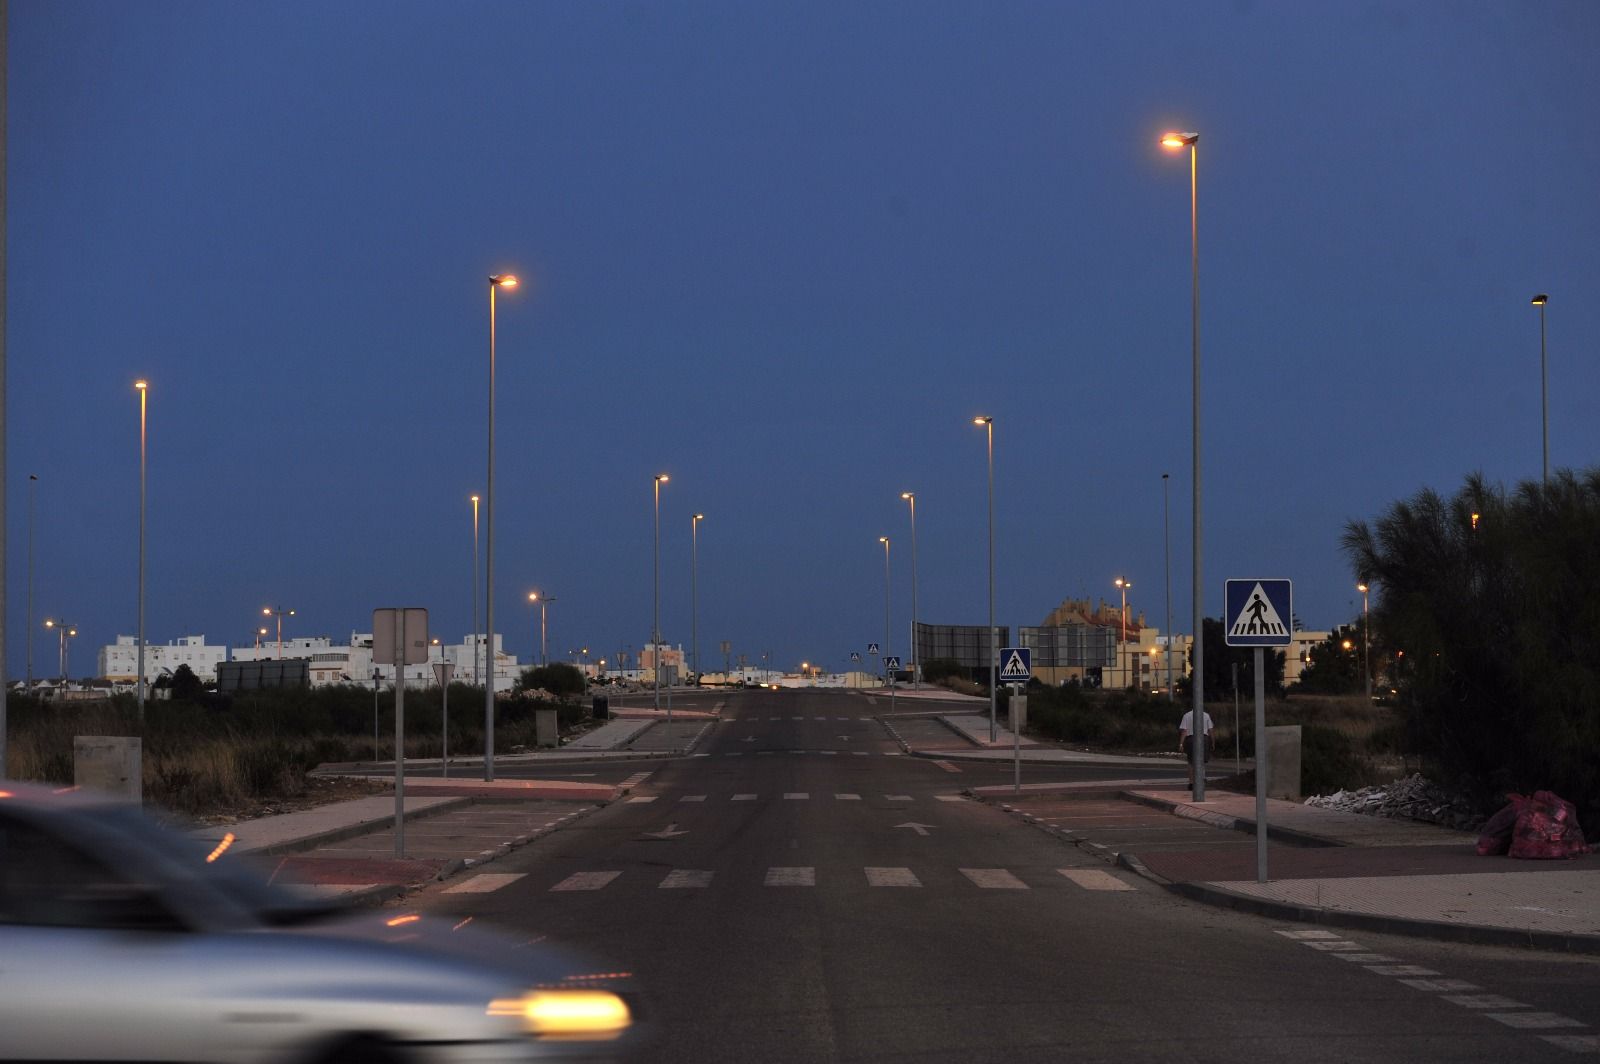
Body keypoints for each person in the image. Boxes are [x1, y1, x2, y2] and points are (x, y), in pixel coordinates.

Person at [1178, 706, 1215, 787]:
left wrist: (1181, 743)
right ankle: (1202, 778)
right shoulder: (1206, 715)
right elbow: (1210, 730)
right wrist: (1213, 742)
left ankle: (1191, 782)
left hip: (1191, 739)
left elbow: (1184, 731)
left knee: (1191, 762)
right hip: (1204, 738)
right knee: (1202, 760)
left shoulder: (1187, 715)